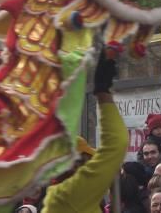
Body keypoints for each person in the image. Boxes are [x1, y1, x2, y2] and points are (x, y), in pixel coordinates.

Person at [41, 47, 128, 213]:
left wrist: (112, 184)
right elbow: (117, 144)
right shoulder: (72, 194)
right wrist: (103, 92)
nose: (93, 168)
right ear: (76, 166)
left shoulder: (63, 197)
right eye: (88, 163)